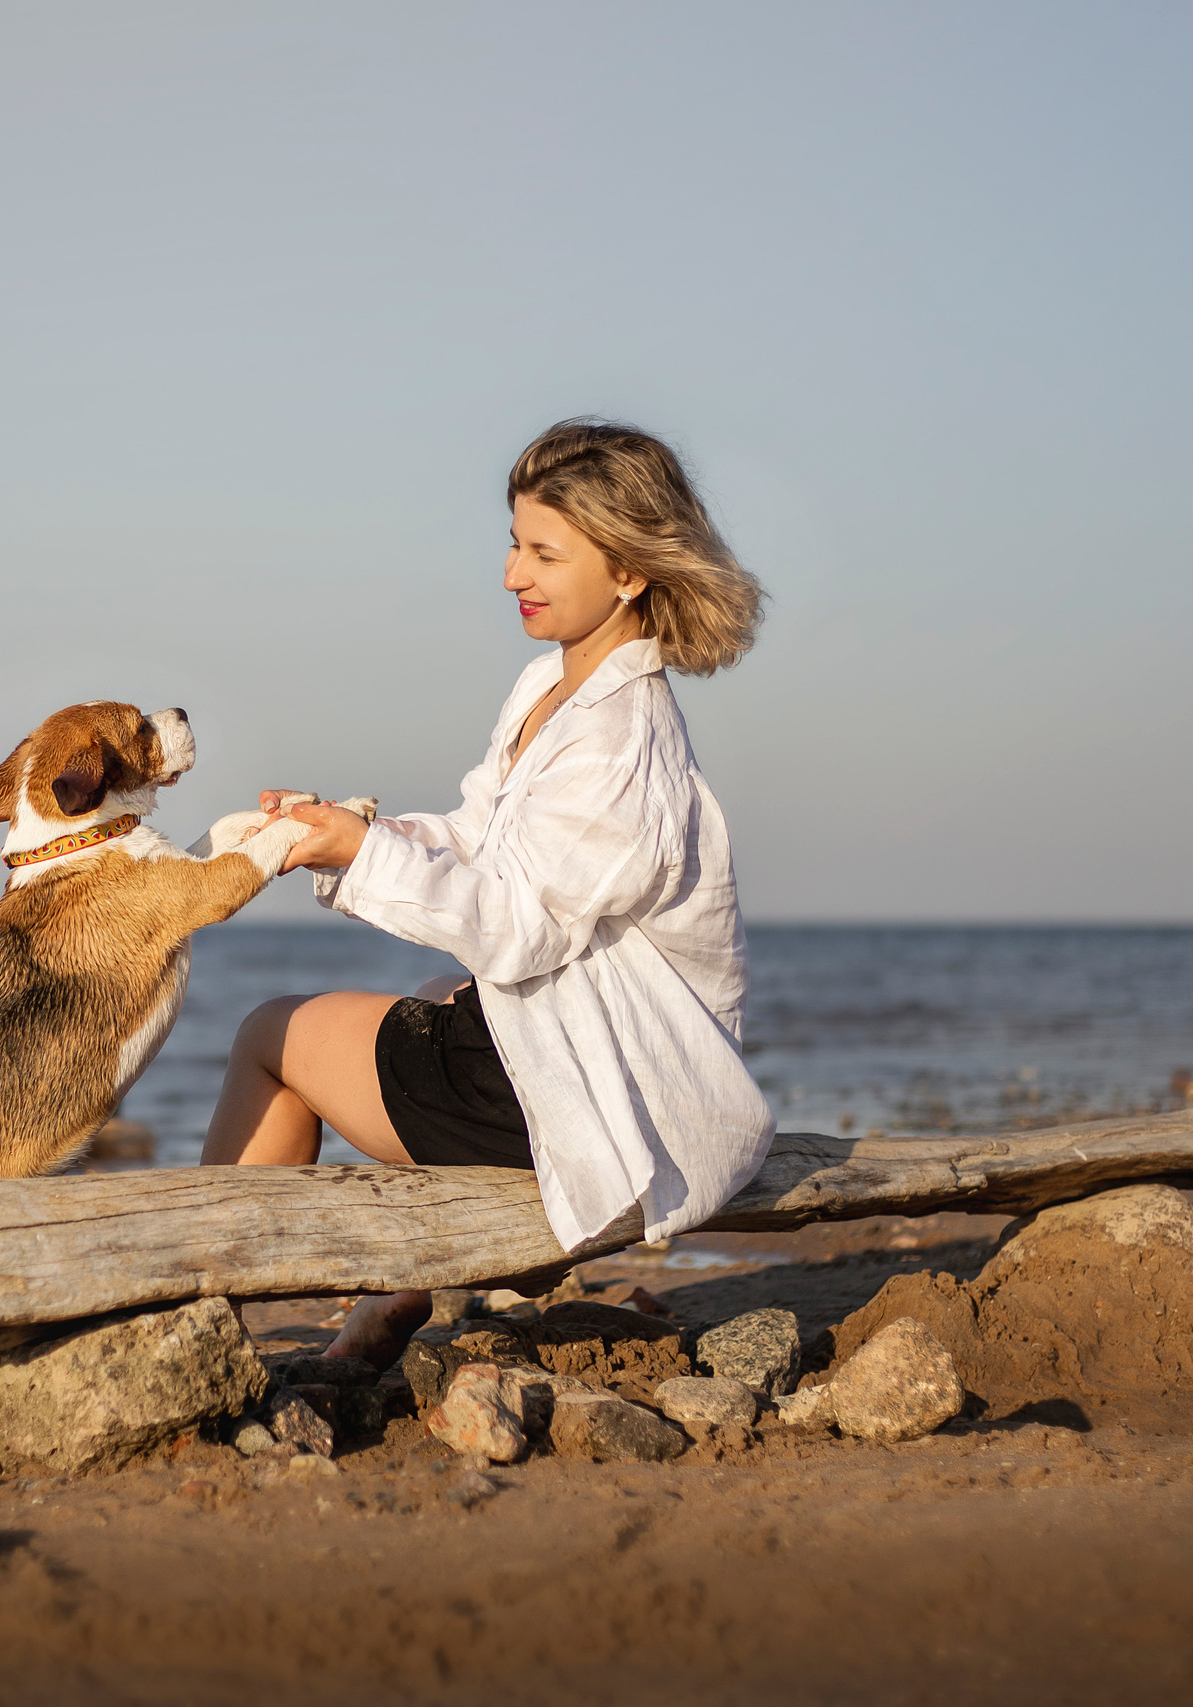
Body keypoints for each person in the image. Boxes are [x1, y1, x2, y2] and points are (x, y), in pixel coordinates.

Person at [200, 418, 775, 1366]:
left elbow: (512, 928)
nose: (514, 575)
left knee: (271, 1035)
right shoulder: (549, 689)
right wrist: (347, 834)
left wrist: (360, 853)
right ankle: (385, 1305)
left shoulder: (619, 743)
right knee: (432, 1001)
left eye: (546, 553)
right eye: (515, 543)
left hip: (598, 1094)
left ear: (630, 571)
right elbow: (478, 839)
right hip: (580, 1049)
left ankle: (190, 1305)